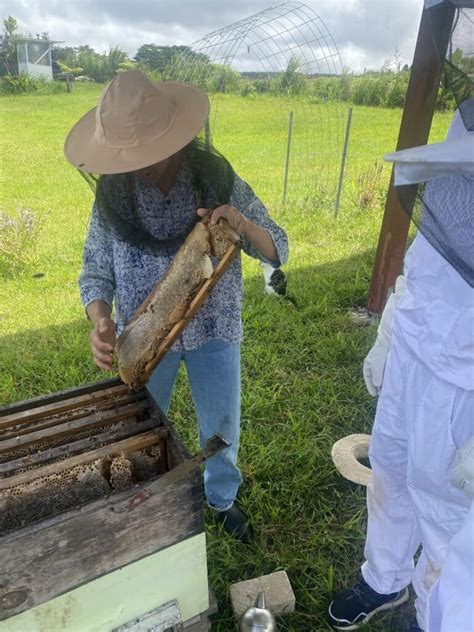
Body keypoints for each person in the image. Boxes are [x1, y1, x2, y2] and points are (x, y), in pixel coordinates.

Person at [64, 69, 288, 542]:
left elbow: (276, 247)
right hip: (144, 340)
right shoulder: (113, 195)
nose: (139, 165)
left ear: (175, 136)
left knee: (222, 423)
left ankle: (221, 497)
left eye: (147, 151)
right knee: (141, 427)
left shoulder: (215, 179)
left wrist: (241, 225)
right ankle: (145, 498)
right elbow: (94, 272)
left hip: (215, 328)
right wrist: (101, 319)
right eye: (128, 154)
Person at [328, 100, 473, 631]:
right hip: (415, 344)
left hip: (463, 382)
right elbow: (431, 253)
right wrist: (390, 330)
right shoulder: (465, 126)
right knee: (390, 464)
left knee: (446, 506)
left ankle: (429, 606)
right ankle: (383, 577)